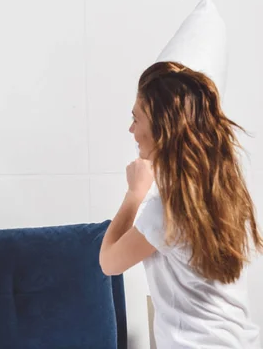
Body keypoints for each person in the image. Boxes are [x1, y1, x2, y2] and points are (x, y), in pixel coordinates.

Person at [99, 61, 262, 348]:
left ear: (163, 129)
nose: (131, 129)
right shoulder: (229, 197)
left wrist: (134, 194)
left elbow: (109, 262)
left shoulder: (165, 213)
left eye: (136, 119)